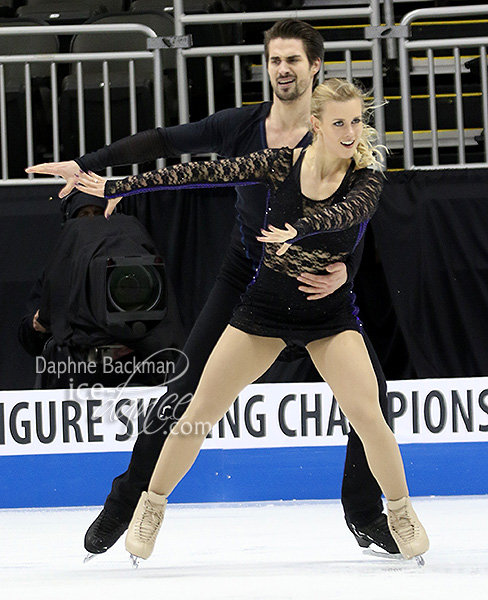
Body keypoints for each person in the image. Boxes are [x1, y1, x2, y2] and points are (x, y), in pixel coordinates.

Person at [26, 19, 398, 555]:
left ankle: (365, 515)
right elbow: (166, 141)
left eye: (293, 59)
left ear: (315, 66)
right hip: (247, 275)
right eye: (273, 59)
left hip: (319, 283)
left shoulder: (340, 130)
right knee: (184, 391)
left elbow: (354, 214)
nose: (282, 69)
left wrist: (347, 270)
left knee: (373, 398)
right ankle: (127, 499)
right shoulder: (243, 127)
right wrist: (91, 165)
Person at [18, 190, 185, 389]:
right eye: (83, 216)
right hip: (75, 381)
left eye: (98, 214)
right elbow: (30, 337)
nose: (91, 222)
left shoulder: (140, 269)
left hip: (137, 378)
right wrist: (38, 324)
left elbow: (166, 332)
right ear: (70, 224)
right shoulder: (58, 271)